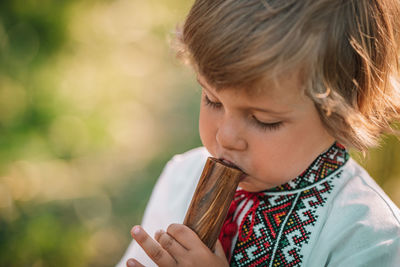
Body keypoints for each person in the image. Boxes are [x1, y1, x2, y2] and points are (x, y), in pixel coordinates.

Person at [117, 0, 400, 266]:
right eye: (212, 100)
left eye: (264, 120)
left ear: (346, 113)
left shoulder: (369, 236)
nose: (225, 137)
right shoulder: (182, 177)